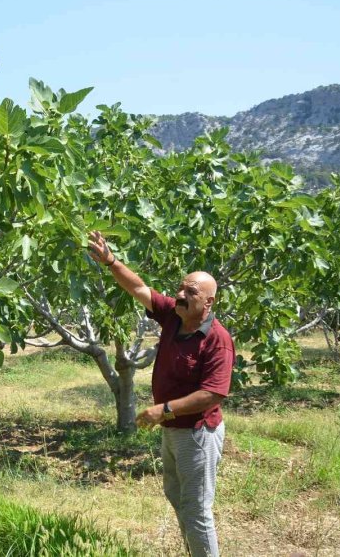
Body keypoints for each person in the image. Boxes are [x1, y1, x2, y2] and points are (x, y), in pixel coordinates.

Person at [88, 230, 234, 557]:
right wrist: (111, 261)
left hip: (197, 433)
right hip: (172, 431)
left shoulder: (217, 340)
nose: (180, 293)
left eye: (190, 291)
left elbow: (212, 394)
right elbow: (138, 287)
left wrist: (162, 410)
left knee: (197, 509)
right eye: (181, 287)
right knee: (176, 495)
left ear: (208, 301)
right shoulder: (173, 314)